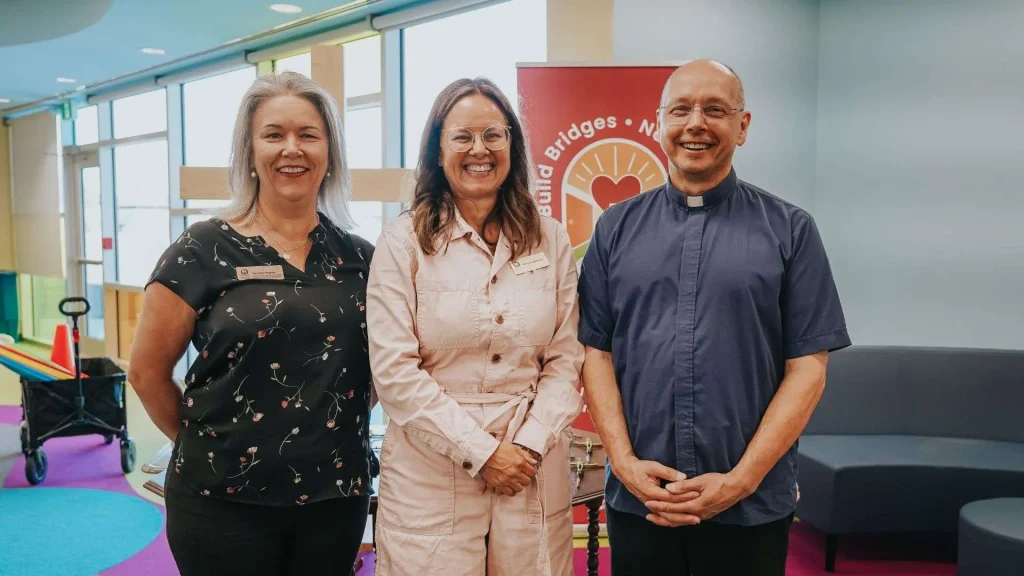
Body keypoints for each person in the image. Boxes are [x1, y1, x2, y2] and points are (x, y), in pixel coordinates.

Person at [577, 59, 851, 575]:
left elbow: (808, 368)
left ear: (742, 126)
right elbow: (596, 353)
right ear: (660, 122)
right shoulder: (614, 229)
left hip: (750, 507)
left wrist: (743, 479)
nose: (696, 123)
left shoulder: (791, 231)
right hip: (643, 503)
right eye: (681, 109)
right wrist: (624, 463)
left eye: (716, 110)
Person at [128, 72, 374, 576]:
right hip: (221, 503)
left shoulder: (362, 259)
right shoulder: (200, 249)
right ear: (250, 151)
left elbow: (374, 372)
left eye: (308, 134)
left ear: (329, 152)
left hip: (333, 499)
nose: (292, 149)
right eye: (274, 134)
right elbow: (147, 372)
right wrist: (211, 445)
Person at [366, 77, 584, 575]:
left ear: (512, 144)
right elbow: (395, 374)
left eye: (494, 135)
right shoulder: (402, 242)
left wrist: (525, 447)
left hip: (530, 466)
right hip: (431, 470)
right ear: (438, 149)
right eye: (462, 136)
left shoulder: (549, 239)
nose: (479, 150)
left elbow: (566, 358)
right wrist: (483, 453)